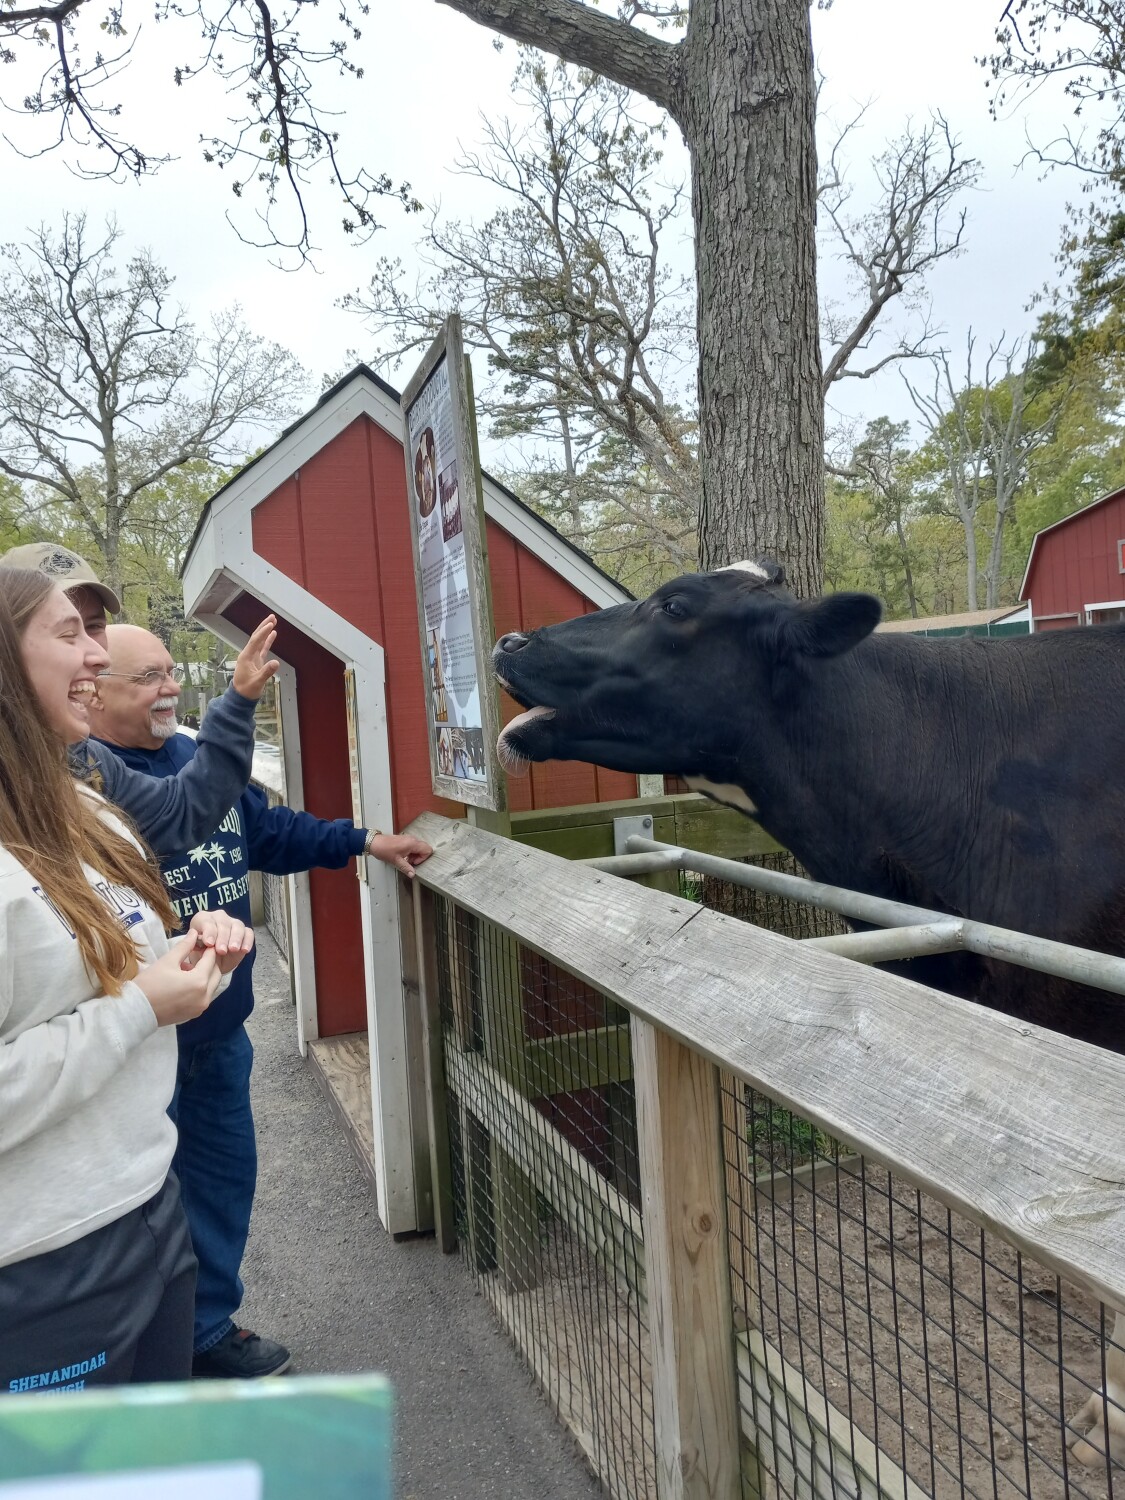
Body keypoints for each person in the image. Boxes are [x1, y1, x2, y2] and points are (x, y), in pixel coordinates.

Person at [92, 624, 433, 1379]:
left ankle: (205, 1330)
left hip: (218, 1034)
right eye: (147, 677)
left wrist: (363, 840)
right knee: (140, 1210)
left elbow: (267, 831)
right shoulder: (86, 787)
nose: (169, 688)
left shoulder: (194, 757)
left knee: (220, 1184)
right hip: (134, 1045)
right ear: (94, 690)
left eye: (171, 672)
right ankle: (139, 1353)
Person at [0, 569, 255, 1392]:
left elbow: (98, 971)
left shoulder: (86, 804)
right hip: (38, 1260)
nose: (96, 653)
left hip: (146, 1209)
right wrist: (143, 1006)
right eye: (70, 633)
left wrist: (182, 950)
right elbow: (117, 1004)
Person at [0, 543, 275, 856]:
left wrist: (238, 702)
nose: (100, 655)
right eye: (67, 632)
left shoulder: (86, 761)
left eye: (93, 626)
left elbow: (179, 813)